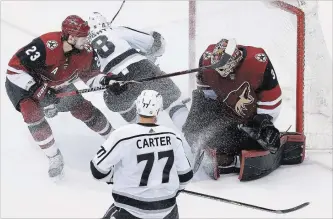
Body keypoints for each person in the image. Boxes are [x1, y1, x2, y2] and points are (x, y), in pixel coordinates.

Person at [175, 38, 305, 181]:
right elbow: (206, 99)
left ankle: (245, 147)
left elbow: (271, 101)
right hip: (224, 111)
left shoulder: (258, 63)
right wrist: (198, 127)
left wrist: (263, 124)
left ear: (235, 59)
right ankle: (226, 152)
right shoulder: (206, 60)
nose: (219, 72)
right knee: (193, 128)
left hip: (251, 115)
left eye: (223, 68)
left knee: (262, 136)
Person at [5, 15, 115, 179]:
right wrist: (38, 91)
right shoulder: (46, 44)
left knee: (81, 107)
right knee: (32, 114)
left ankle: (114, 138)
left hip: (53, 84)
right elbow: (14, 69)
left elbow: (92, 77)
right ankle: (53, 156)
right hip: (22, 84)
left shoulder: (86, 52)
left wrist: (106, 81)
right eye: (83, 37)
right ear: (71, 37)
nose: (87, 40)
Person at [90, 90, 193, 219]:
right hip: (167, 209)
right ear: (159, 110)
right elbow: (186, 176)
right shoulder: (172, 136)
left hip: (131, 209)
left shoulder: (122, 135)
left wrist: (113, 177)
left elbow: (97, 170)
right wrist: (165, 192)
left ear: (137, 107)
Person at [86, 12, 188, 125]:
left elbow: (92, 81)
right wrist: (151, 55)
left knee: (117, 102)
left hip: (117, 82)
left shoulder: (85, 48)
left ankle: (140, 130)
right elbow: (154, 42)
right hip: (142, 68)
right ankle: (192, 133)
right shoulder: (117, 30)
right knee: (171, 97)